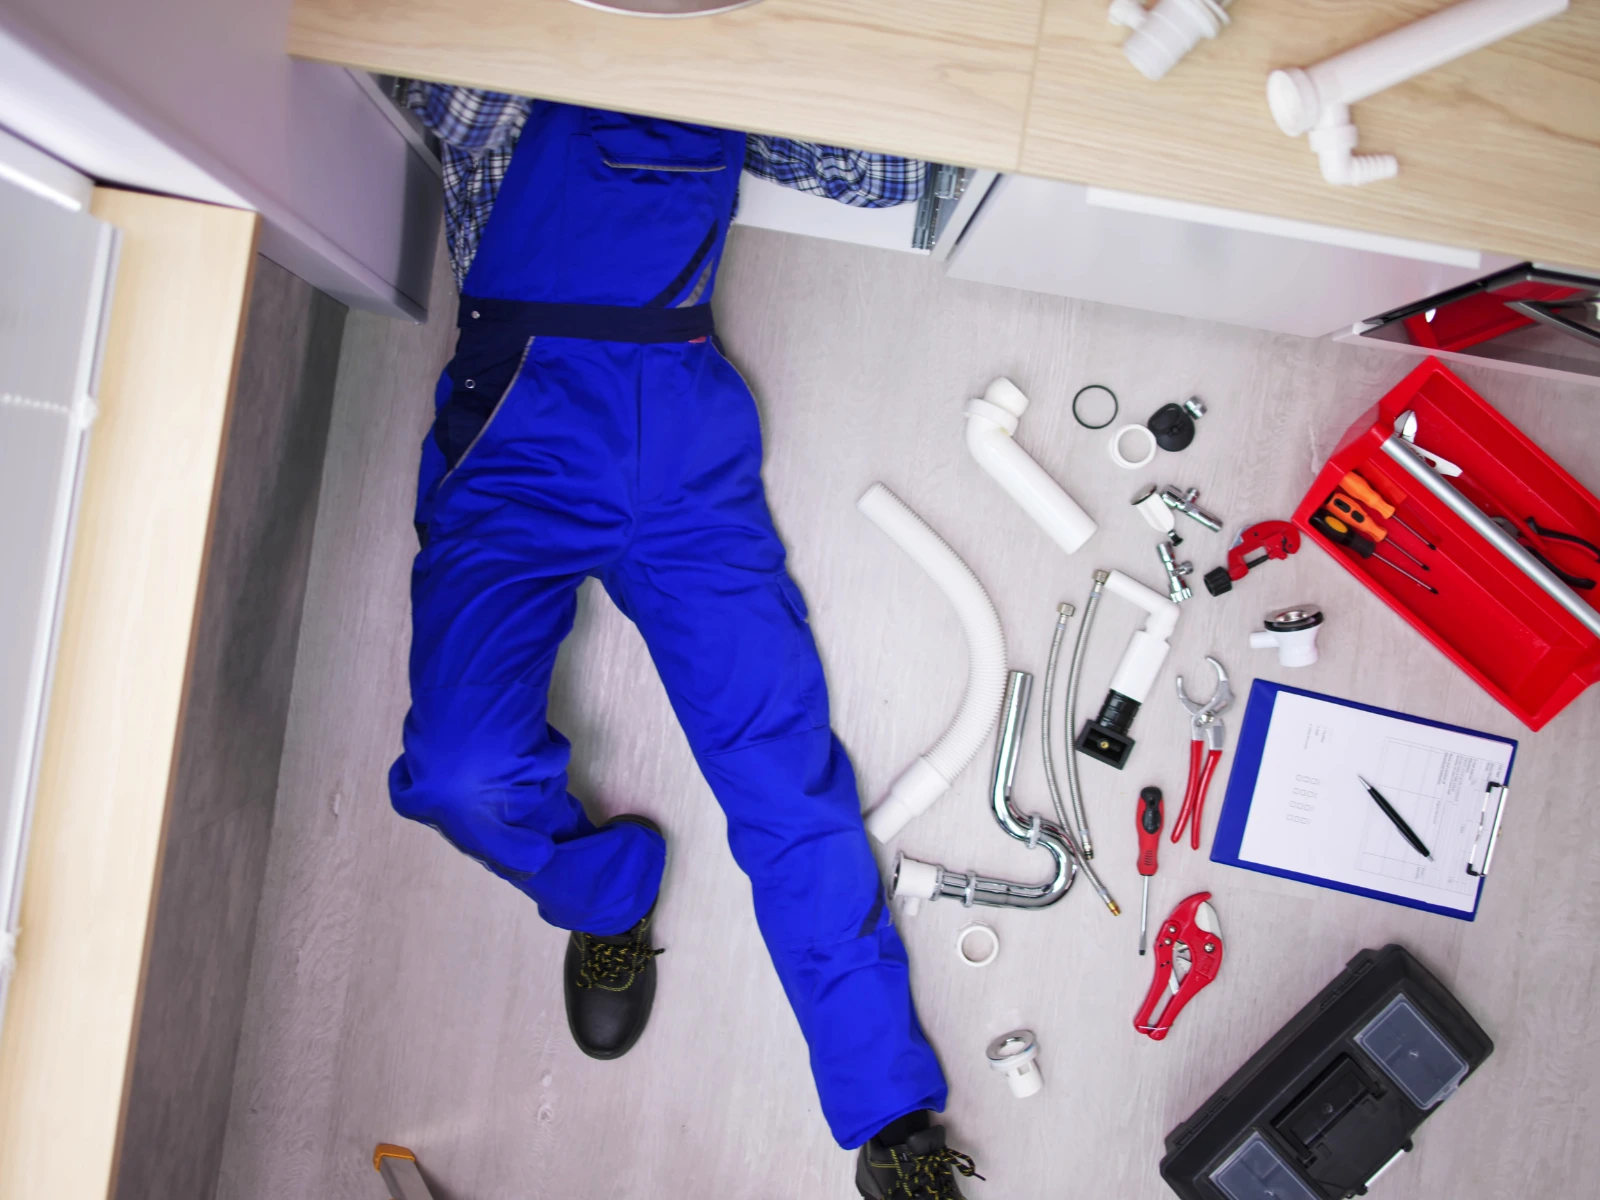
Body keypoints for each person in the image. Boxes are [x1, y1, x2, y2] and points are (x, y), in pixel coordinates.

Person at [392, 85, 979, 1199]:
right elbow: (444, 90)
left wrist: (767, 64)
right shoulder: (503, 64)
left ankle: (890, 1119)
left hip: (683, 450)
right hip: (520, 441)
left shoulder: (727, 49)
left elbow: (901, 178)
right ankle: (607, 895)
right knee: (462, 777)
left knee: (783, 775)